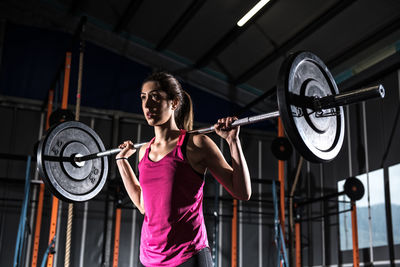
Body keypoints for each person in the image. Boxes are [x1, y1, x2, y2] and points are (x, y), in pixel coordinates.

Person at [116, 72, 251, 267]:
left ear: (174, 102)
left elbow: (242, 192)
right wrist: (121, 161)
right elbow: (144, 205)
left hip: (187, 256)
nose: (147, 105)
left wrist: (233, 141)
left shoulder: (196, 143)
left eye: (155, 97)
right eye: (144, 98)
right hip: (150, 259)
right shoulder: (144, 151)